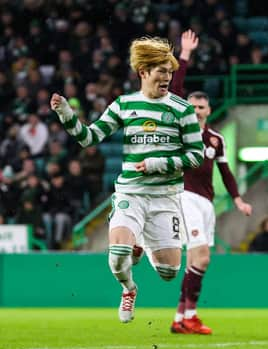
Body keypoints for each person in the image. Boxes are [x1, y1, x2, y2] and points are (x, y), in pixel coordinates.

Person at [50, 36, 204, 323]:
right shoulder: (124, 104)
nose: (167, 77)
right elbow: (89, 137)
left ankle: (142, 241)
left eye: (170, 72)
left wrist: (160, 163)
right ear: (143, 72)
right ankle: (129, 288)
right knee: (119, 252)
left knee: (169, 273)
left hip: (165, 196)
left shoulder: (182, 109)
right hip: (130, 192)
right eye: (161, 71)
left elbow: (196, 155)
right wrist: (66, 113)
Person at [166, 30, 252, 334]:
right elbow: (175, 90)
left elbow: (226, 172)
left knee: (202, 259)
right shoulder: (182, 130)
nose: (196, 110)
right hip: (185, 196)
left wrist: (238, 198)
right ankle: (191, 314)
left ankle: (180, 319)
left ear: (208, 111)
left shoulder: (216, 139)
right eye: (193, 106)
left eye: (201, 107)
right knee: (200, 255)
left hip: (206, 201)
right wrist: (185, 55)